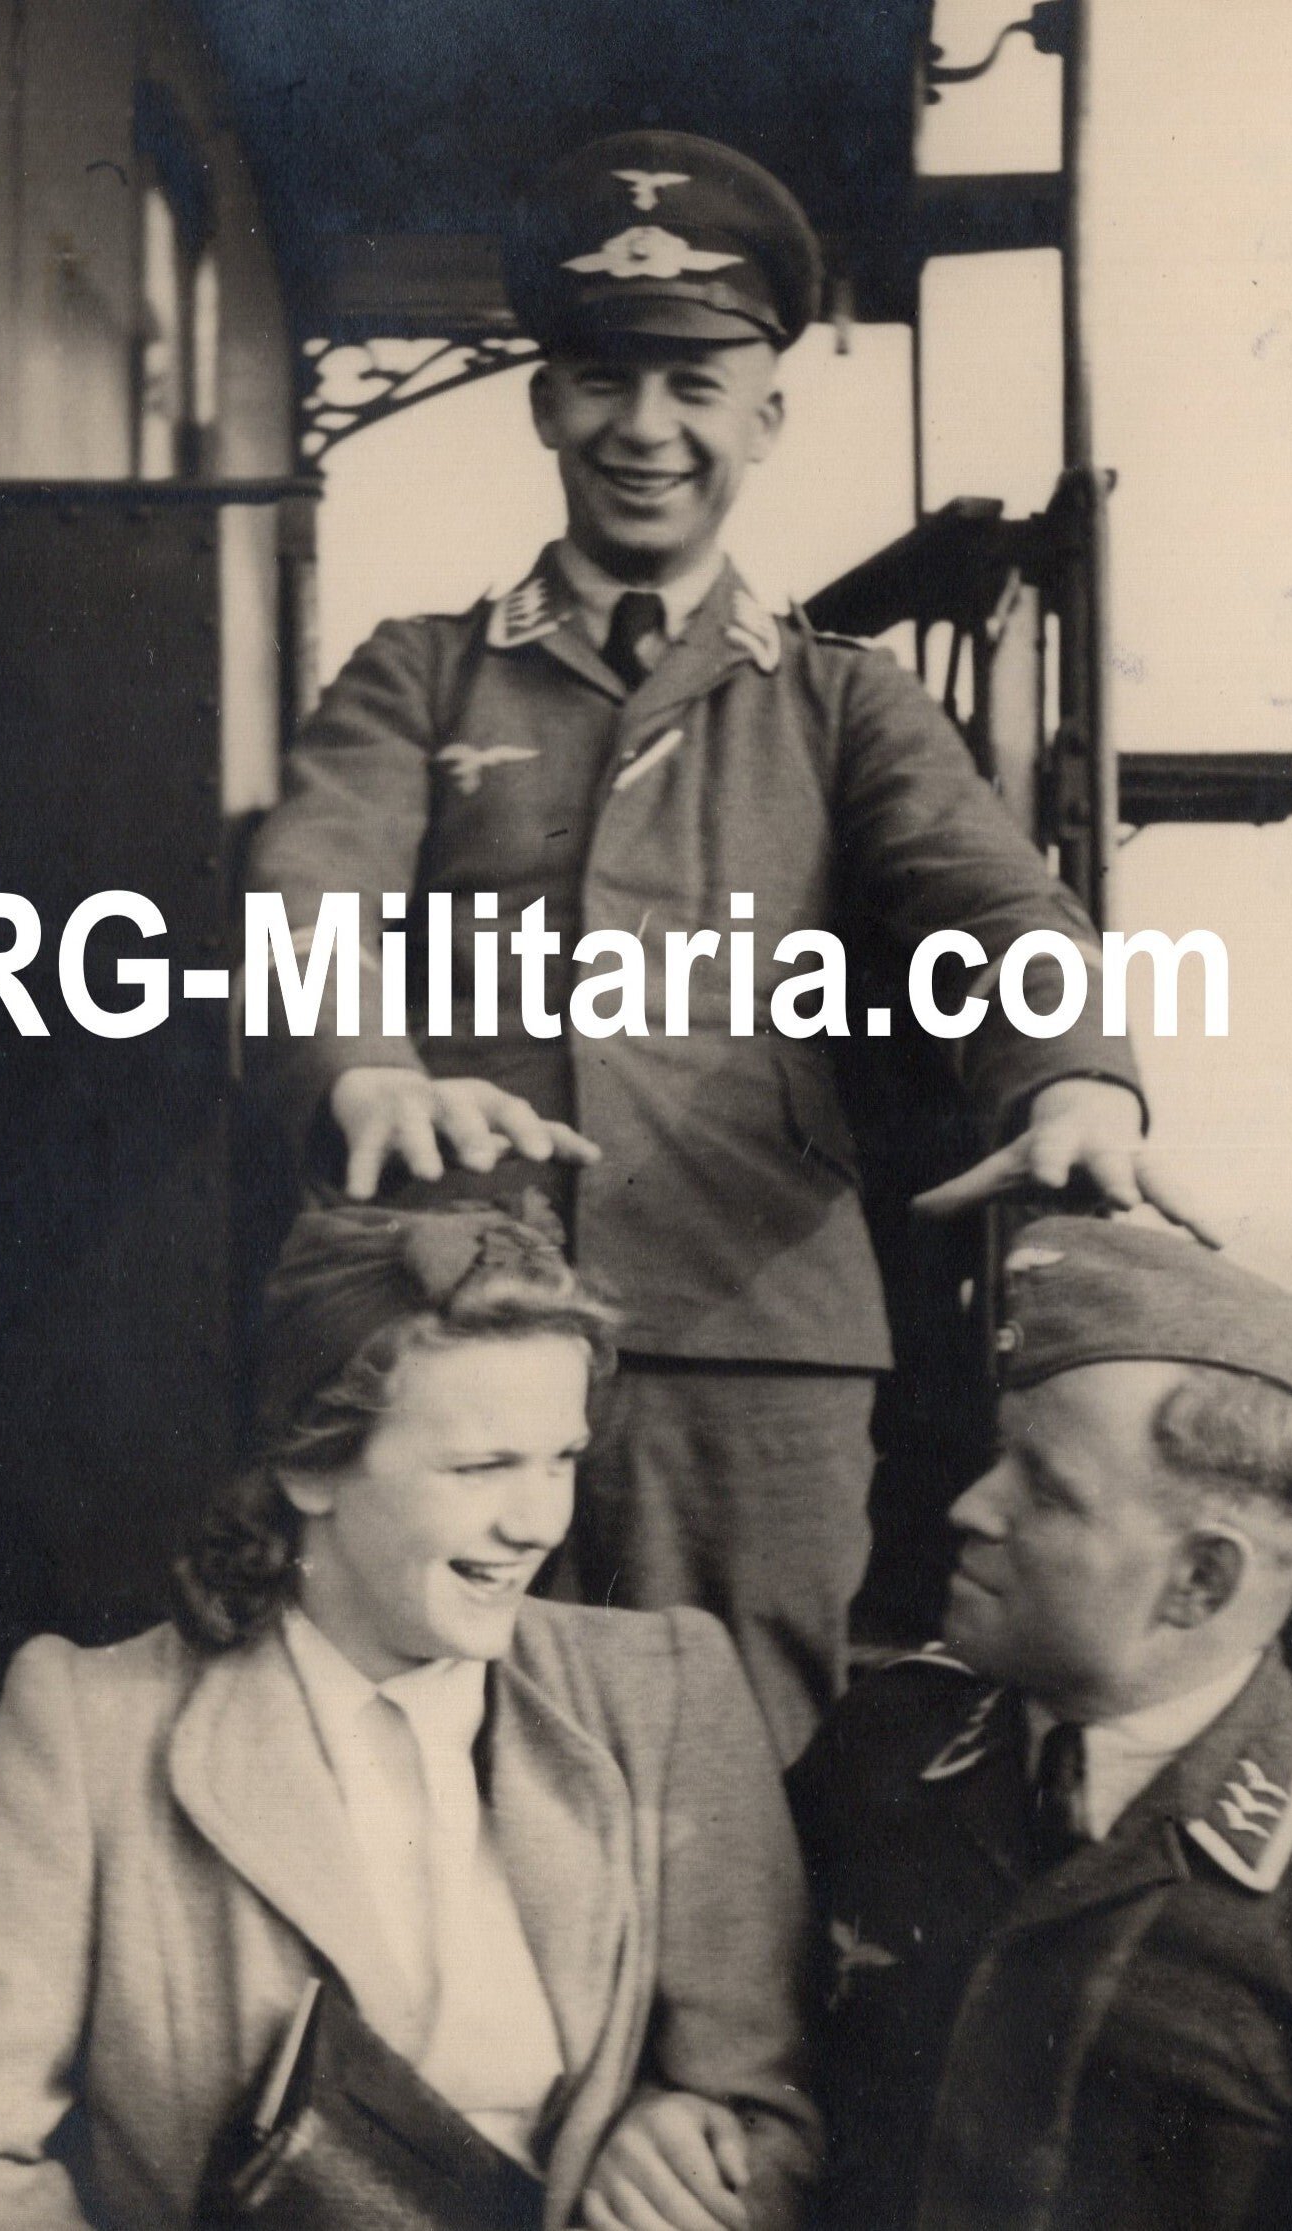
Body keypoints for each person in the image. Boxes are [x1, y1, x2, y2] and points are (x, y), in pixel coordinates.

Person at [246, 128, 1204, 1764]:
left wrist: (1074, 1080)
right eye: (608, 377)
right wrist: (365, 1058)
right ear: (547, 403)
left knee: (741, 1782)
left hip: (753, 1344)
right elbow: (308, 876)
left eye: (695, 383)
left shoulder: (844, 704)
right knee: (420, 1752)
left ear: (763, 416)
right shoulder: (419, 674)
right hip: (454, 1310)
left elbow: (990, 900)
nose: (646, 428)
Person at [0, 1199, 819, 2231]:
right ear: (310, 1465)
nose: (537, 1519)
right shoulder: (94, 1725)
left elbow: (777, 2123)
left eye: (562, 1458)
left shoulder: (662, 1692)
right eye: (481, 1465)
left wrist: (671, 2135)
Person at [788, 1214, 1292, 2231]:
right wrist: (688, 2112)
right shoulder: (883, 1736)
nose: (969, 1505)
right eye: (995, 1456)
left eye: (1042, 1487)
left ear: (1198, 1577)